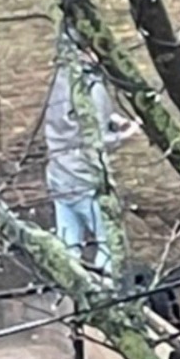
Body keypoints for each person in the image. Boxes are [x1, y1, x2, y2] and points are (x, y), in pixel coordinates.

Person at [44, 31, 137, 276]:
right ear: (89, 51)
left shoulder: (60, 79)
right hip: (85, 177)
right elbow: (95, 141)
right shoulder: (93, 86)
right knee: (108, 244)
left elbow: (68, 119)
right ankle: (109, 290)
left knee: (68, 246)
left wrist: (111, 118)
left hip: (58, 174)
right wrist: (127, 134)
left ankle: (69, 290)